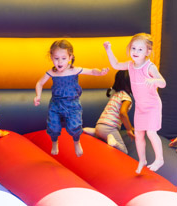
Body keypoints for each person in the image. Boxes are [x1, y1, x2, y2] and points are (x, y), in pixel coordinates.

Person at [103, 33, 166, 174]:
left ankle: (159, 159)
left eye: (140, 49)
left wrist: (153, 81)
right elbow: (115, 64)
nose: (135, 52)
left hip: (152, 106)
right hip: (140, 106)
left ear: (148, 52)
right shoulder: (130, 65)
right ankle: (142, 160)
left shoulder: (150, 67)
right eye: (133, 48)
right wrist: (108, 49)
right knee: (138, 134)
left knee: (151, 132)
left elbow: (163, 83)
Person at [34, 39, 109, 157]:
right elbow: (39, 83)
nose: (59, 62)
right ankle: (54, 142)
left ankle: (76, 142)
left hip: (72, 104)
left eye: (63, 58)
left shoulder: (75, 70)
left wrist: (100, 72)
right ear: (51, 57)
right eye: (56, 58)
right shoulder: (51, 72)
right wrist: (38, 95)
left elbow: (92, 71)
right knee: (53, 127)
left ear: (70, 57)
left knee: (75, 126)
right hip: (56, 104)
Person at [83, 70, 134, 154]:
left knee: (101, 132)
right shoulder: (127, 99)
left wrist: (131, 127)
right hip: (109, 129)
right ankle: (112, 142)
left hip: (99, 125)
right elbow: (123, 113)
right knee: (124, 151)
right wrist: (129, 129)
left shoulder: (116, 94)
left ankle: (94, 132)